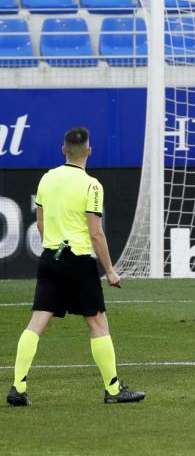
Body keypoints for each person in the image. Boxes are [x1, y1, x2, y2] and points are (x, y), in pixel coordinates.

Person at [8, 127, 144, 406]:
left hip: (50, 258)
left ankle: (17, 388)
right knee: (97, 323)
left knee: (36, 323)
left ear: (63, 150)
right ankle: (113, 390)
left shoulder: (47, 179)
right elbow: (95, 232)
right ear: (89, 151)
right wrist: (110, 270)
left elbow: (42, 223)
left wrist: (54, 247)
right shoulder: (92, 185)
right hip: (79, 260)